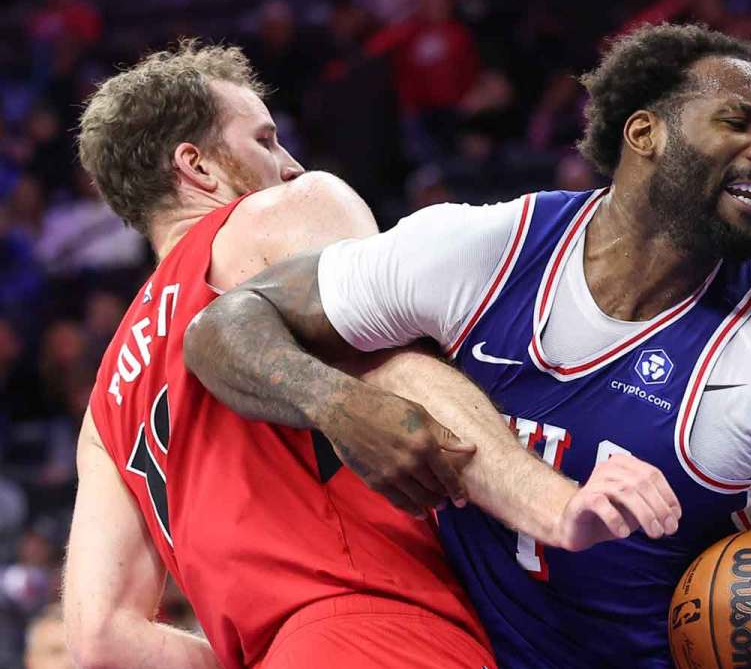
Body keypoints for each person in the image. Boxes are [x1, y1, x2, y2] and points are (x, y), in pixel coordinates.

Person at [185, 23, 751, 668]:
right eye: (740, 121)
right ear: (645, 132)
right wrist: (340, 405)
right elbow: (223, 328)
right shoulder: (483, 251)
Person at [63, 40, 678, 669]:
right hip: (385, 626)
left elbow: (101, 640)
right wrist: (557, 506)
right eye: (266, 141)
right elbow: (401, 375)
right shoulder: (279, 214)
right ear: (197, 167)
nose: (292, 165)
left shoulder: (106, 399)